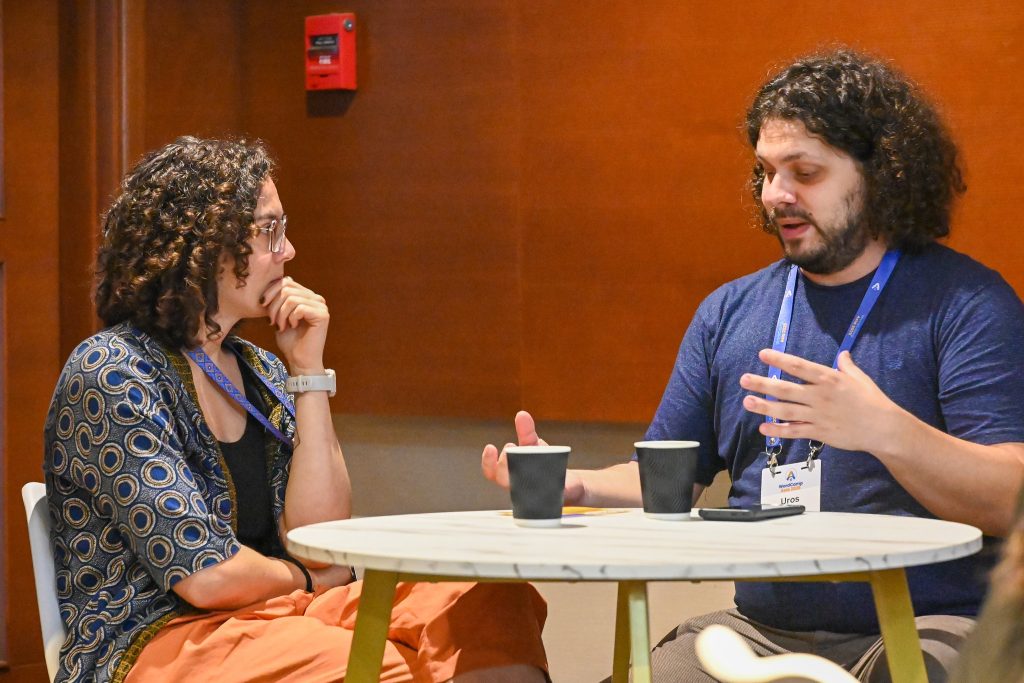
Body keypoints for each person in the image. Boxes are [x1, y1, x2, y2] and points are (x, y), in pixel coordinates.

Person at [483, 48, 1024, 681]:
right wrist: (576, 488)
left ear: (883, 174)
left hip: (920, 621)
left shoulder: (967, 303)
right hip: (757, 633)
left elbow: (1009, 497)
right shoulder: (729, 310)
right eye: (766, 171)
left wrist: (885, 431)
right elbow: (667, 479)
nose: (778, 194)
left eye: (805, 172)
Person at [44, 136, 548, 683]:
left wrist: (308, 374)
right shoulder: (114, 371)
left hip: (277, 615)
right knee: (382, 667)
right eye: (270, 232)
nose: (288, 252)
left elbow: (323, 539)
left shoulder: (258, 367)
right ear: (203, 245)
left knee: (490, 605)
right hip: (162, 636)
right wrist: (306, 581)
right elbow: (208, 577)